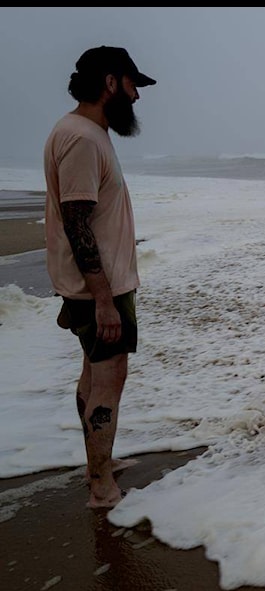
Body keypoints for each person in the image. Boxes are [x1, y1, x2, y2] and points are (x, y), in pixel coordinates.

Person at [43, 46, 157, 509]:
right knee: (108, 379)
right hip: (99, 289)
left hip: (94, 286)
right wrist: (105, 298)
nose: (137, 97)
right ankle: (101, 489)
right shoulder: (84, 139)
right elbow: (77, 220)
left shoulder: (81, 132)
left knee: (94, 374)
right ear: (111, 83)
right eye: (133, 85)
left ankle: (100, 466)